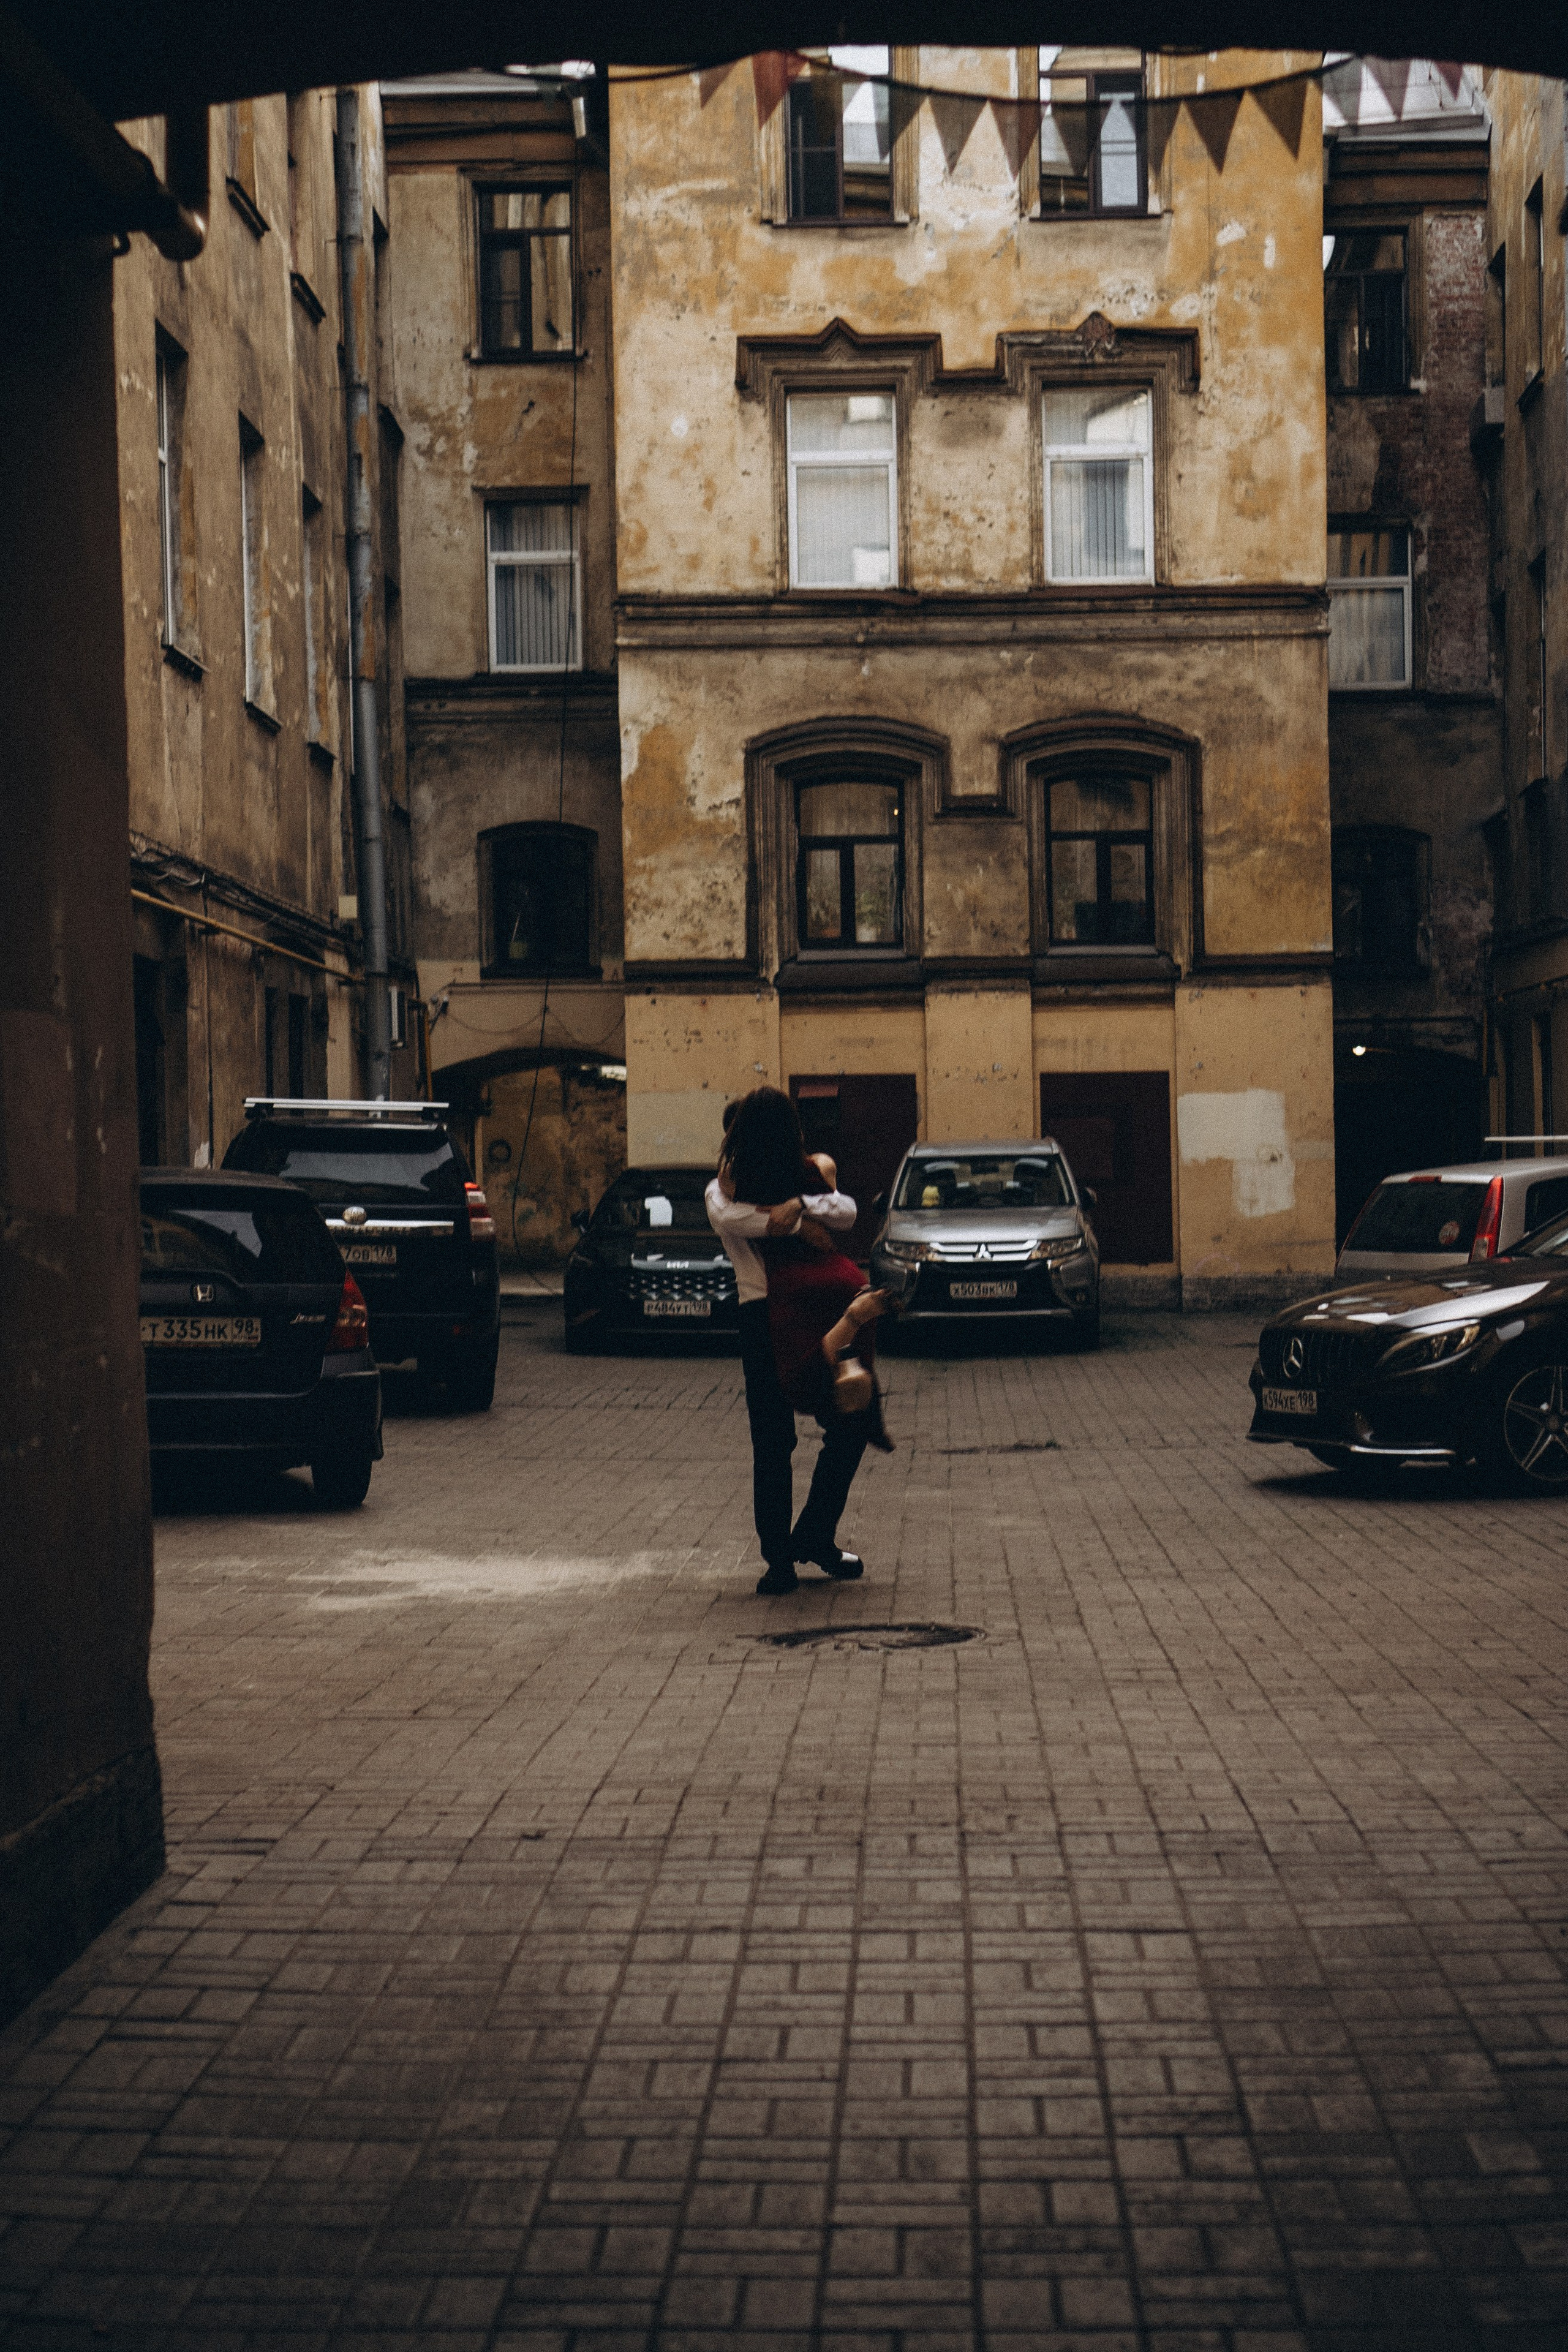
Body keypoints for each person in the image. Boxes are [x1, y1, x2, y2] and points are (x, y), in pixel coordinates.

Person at [706, 1088, 892, 1596]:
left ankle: (812, 1535)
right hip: (762, 1315)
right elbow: (733, 1220)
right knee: (773, 1440)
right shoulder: (721, 1190)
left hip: (813, 1312)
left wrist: (799, 1205)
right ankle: (780, 1560)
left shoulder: (794, 1180)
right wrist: (790, 1223)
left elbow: (847, 1211)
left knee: (849, 1422)